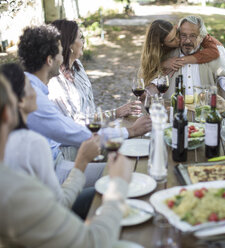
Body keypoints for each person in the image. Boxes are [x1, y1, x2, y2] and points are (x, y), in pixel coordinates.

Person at [0, 75, 133, 247]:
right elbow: (94, 242)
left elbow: (57, 203)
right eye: (31, 89)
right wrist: (117, 185)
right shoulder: (13, 188)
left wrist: (81, 163)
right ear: (8, 113)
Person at [17, 25, 151, 183]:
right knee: (124, 172)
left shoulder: (29, 87)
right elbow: (76, 133)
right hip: (53, 171)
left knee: (125, 160)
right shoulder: (33, 97)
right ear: (49, 60)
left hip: (55, 162)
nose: (62, 60)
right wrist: (131, 131)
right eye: (60, 53)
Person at [1, 63, 100, 219]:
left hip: (36, 218)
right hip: (45, 223)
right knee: (107, 190)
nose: (38, 92)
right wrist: (82, 160)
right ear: (18, 101)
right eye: (30, 87)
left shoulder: (16, 139)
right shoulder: (30, 143)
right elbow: (59, 204)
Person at [48, 19, 141, 124]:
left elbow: (89, 110)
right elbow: (74, 121)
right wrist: (115, 113)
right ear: (69, 44)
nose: (83, 41)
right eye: (80, 37)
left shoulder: (77, 65)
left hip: (93, 129)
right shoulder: (55, 79)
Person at [147, 16, 225, 104]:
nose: (187, 41)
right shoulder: (168, 57)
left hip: (205, 115)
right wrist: (149, 93)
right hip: (174, 114)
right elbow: (156, 82)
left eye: (193, 36)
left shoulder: (212, 56)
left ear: (201, 37)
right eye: (183, 35)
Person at [139, 19, 222, 86]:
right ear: (162, 44)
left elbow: (214, 52)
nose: (178, 40)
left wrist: (182, 60)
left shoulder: (189, 32)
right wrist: (163, 64)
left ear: (176, 28)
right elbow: (149, 69)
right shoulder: (156, 51)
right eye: (172, 40)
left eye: (177, 34)